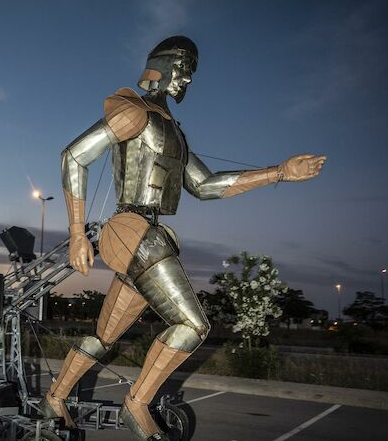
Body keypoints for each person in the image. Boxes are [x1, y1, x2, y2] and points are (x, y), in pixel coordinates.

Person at [42, 35, 326, 441]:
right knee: (192, 326)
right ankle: (136, 404)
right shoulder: (134, 112)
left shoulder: (172, 131)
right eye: (182, 68)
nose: (186, 79)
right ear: (159, 67)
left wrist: (280, 171)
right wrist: (75, 233)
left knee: (105, 336)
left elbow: (207, 185)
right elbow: (74, 155)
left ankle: (55, 397)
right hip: (133, 232)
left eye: (191, 73)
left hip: (145, 234)